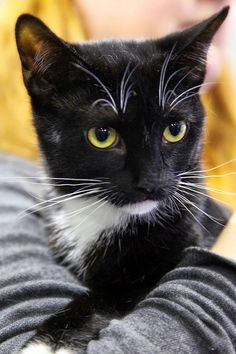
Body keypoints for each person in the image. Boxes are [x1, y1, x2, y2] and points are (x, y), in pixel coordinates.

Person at [0, 0, 236, 352]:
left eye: (173, 130)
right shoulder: (12, 190)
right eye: (104, 135)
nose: (152, 180)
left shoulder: (198, 212)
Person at [0, 152, 235, 353]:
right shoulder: (11, 185)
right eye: (103, 136)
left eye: (174, 130)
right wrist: (224, 267)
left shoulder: (195, 187)